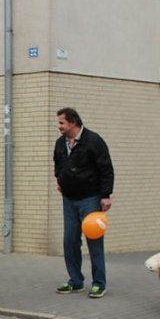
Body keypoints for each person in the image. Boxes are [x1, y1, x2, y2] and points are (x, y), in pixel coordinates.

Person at [53, 107, 113, 298]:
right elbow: (57, 165)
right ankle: (76, 280)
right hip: (69, 199)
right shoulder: (60, 144)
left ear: (72, 122)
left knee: (94, 241)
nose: (59, 126)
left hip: (90, 198)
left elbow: (106, 169)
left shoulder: (93, 141)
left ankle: (99, 283)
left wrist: (105, 195)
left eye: (61, 122)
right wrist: (60, 180)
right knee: (70, 240)